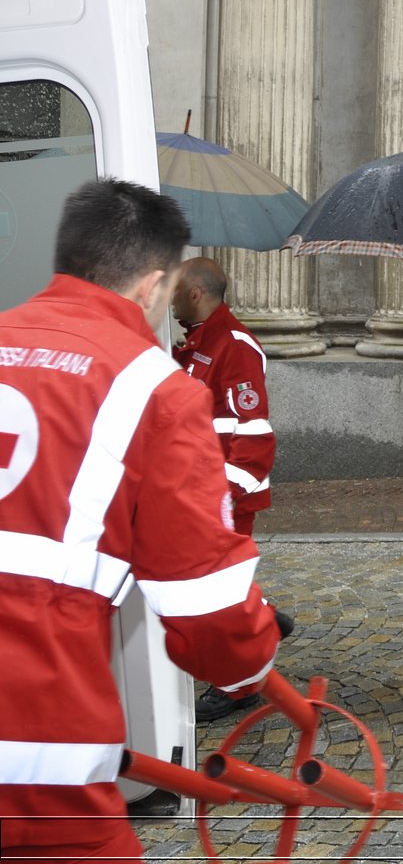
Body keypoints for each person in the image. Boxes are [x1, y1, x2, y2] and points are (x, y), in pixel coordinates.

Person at [0, 180, 281, 860]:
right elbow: (205, 606)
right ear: (153, 283)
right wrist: (251, 660)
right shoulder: (153, 388)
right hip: (36, 738)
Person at [171, 257, 292, 722]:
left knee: (219, 587)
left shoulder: (234, 345)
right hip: (197, 491)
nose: (170, 298)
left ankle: (240, 686)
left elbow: (254, 435)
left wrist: (224, 496)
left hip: (221, 495)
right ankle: (262, 618)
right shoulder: (200, 342)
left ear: (196, 294)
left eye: (176, 289)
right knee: (216, 584)